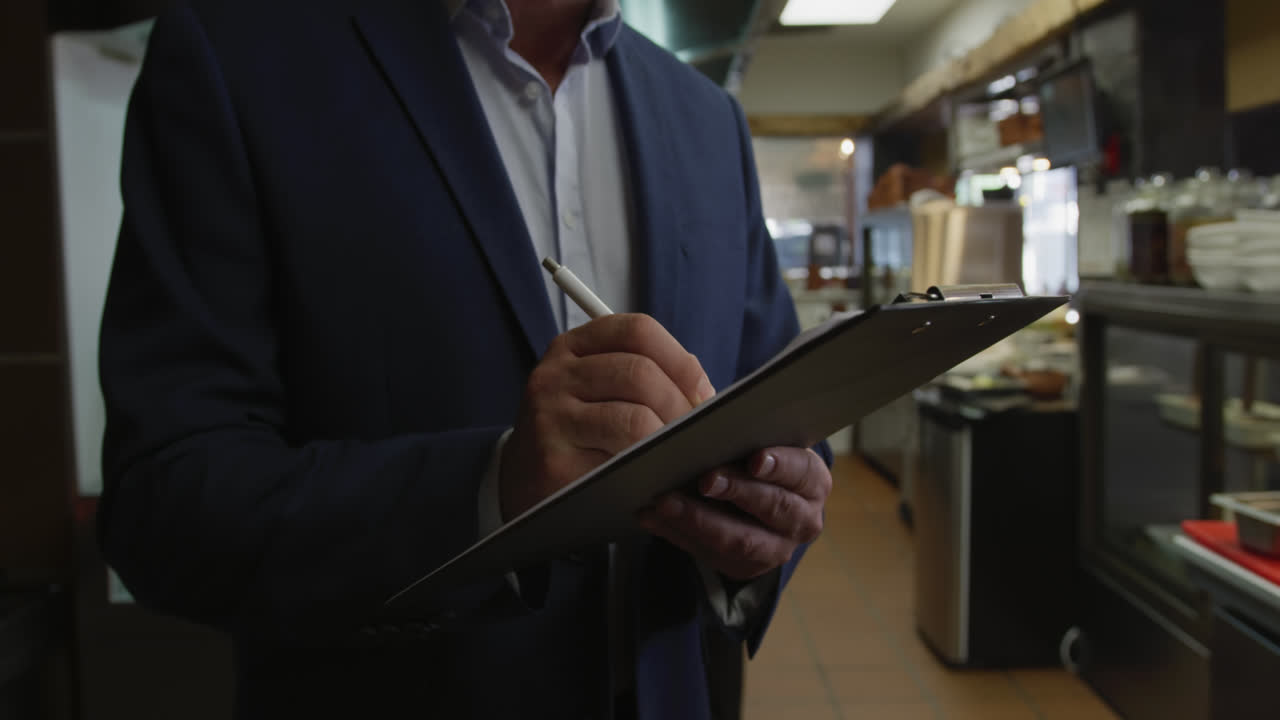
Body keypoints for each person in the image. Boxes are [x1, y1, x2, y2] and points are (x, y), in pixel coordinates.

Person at [97, 0, 834, 718]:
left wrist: (766, 518)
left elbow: (782, 414)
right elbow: (164, 500)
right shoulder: (237, 57)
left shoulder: (706, 118)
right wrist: (491, 493)